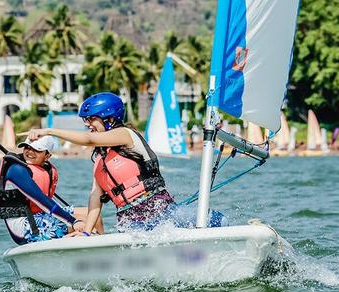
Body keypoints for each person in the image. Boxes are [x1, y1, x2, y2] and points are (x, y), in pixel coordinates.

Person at [24, 93, 225, 235]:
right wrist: (86, 233)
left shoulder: (126, 135)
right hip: (131, 224)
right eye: (86, 121)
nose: (88, 125)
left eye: (92, 119)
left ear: (110, 119)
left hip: (163, 214)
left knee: (216, 220)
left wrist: (50, 131)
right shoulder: (100, 160)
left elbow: (88, 139)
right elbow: (95, 197)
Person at [0, 135, 103, 245]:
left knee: (93, 214)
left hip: (40, 215)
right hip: (25, 227)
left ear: (47, 156)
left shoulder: (43, 168)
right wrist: (72, 221)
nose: (30, 152)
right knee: (84, 223)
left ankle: (101, 246)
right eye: (27, 147)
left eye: (37, 149)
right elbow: (41, 200)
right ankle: (87, 246)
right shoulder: (16, 170)